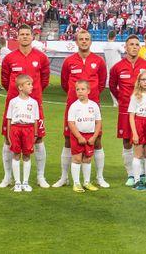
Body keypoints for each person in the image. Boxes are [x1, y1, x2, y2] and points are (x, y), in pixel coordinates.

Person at [54, 29, 108, 188]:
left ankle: (99, 177)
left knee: (97, 140)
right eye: (81, 39)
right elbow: (65, 83)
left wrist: (92, 98)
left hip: (93, 107)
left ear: (90, 42)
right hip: (73, 106)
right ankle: (64, 177)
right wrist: (74, 96)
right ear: (76, 42)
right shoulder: (69, 61)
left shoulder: (99, 61)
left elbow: (102, 82)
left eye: (87, 39)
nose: (84, 41)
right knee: (68, 140)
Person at [0, 24, 50, 189]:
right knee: (8, 139)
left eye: (28, 34)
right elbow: (5, 81)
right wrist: (17, 95)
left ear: (32, 37)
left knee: (39, 138)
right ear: (17, 37)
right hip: (13, 105)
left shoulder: (41, 58)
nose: (25, 37)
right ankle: (8, 177)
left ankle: (40, 177)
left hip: (34, 104)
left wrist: (33, 95)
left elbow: (44, 81)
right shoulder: (9, 58)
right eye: (22, 34)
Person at [108, 35, 146, 187]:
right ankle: (130, 174)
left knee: (143, 141)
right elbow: (112, 86)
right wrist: (122, 99)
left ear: (139, 47)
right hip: (125, 110)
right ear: (125, 47)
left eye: (136, 44)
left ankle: (141, 172)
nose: (134, 47)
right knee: (127, 142)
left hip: (144, 113)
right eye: (131, 44)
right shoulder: (117, 67)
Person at [6, 74, 40, 192]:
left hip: (29, 129)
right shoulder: (13, 102)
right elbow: (9, 119)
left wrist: (35, 134)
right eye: (29, 84)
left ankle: (25, 182)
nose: (32, 86)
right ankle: (17, 183)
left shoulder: (34, 102)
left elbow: (36, 120)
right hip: (16, 129)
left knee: (27, 155)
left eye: (32, 84)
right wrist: (8, 134)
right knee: (16, 155)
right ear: (20, 87)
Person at [67, 80, 103, 193]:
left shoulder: (94, 105)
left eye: (83, 89)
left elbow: (98, 122)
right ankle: (76, 183)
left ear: (88, 91)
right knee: (77, 159)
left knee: (87, 159)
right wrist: (78, 137)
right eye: (78, 89)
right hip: (78, 136)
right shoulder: (74, 106)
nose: (80, 91)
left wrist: (94, 137)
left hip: (90, 136)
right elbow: (71, 123)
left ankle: (86, 182)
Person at [103, 31, 123, 105]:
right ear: (115, 37)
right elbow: (124, 51)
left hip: (109, 67)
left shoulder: (104, 46)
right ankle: (120, 101)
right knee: (120, 85)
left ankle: (115, 102)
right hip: (118, 67)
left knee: (112, 85)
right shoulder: (116, 45)